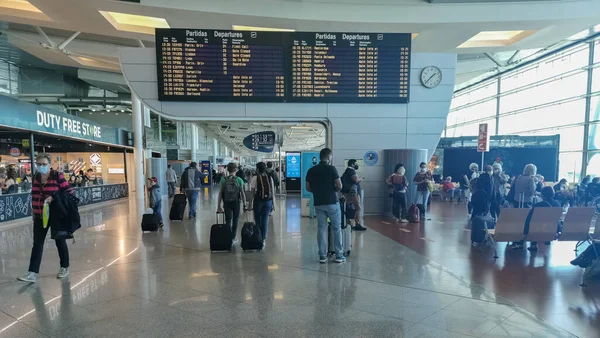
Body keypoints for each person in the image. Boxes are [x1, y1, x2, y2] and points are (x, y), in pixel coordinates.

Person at [18, 153, 73, 283]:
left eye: (44, 164)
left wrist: (53, 197)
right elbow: (35, 196)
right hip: (39, 215)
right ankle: (32, 273)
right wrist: (33, 213)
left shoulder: (57, 176)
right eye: (39, 164)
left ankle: (64, 267)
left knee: (60, 241)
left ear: (50, 165)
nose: (41, 166)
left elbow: (69, 192)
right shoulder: (36, 177)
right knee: (37, 243)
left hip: (56, 215)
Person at [306, 148, 345, 264]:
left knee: (321, 229)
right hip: (332, 202)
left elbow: (308, 188)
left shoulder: (311, 170)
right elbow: (340, 185)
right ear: (329, 157)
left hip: (318, 203)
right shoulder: (332, 169)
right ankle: (339, 255)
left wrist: (318, 192)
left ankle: (322, 256)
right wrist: (332, 190)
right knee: (336, 228)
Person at [513, 186, 561, 251]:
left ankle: (531, 244)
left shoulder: (538, 205)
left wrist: (525, 231)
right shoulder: (557, 204)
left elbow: (529, 218)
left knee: (531, 223)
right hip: (553, 228)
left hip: (537, 229)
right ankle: (547, 242)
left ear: (542, 195)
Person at [217, 162, 246, 244]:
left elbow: (220, 193)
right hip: (236, 202)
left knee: (228, 220)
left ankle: (228, 236)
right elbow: (242, 193)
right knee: (235, 220)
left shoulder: (223, 179)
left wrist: (218, 205)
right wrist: (244, 204)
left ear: (227, 169)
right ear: (236, 170)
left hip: (226, 202)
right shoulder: (239, 180)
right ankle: (233, 238)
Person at [249, 162, 275, 247]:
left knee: (257, 220)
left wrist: (249, 203)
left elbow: (252, 192)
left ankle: (258, 238)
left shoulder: (255, 178)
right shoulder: (269, 177)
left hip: (258, 201)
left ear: (257, 169)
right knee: (265, 220)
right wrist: (273, 204)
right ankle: (263, 239)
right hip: (268, 201)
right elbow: (272, 192)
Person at [341, 159, 366, 231]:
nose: (357, 165)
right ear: (352, 164)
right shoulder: (351, 171)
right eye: (356, 163)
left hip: (347, 192)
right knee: (358, 208)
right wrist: (360, 179)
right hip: (353, 192)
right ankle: (357, 224)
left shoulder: (346, 171)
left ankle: (349, 224)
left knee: (349, 208)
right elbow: (355, 180)